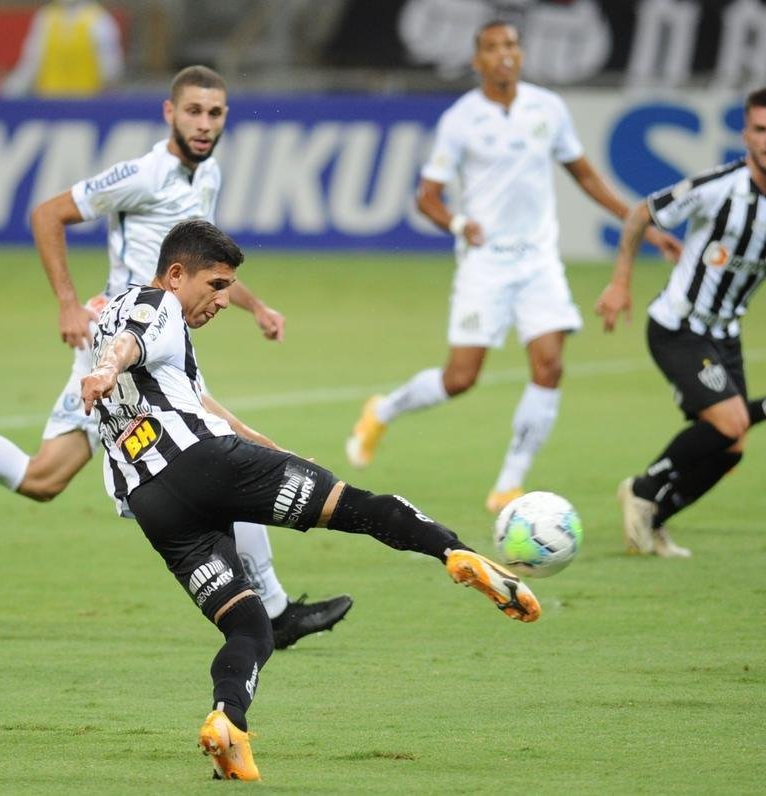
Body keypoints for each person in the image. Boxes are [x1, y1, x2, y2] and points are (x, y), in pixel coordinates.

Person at [0, 66, 352, 649]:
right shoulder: (144, 175)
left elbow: (203, 270)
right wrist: (67, 305)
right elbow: (47, 214)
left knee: (42, 478)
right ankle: (275, 613)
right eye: (194, 112)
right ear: (169, 113)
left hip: (143, 359)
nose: (205, 124)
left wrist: (252, 305)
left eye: (216, 113)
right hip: (123, 350)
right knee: (228, 463)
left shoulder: (208, 175)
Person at [81, 219, 541, 781]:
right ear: (177, 275)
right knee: (359, 508)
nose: (224, 300)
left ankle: (228, 721)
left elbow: (199, 400)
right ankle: (456, 554)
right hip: (204, 465)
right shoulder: (160, 308)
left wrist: (267, 447)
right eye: (217, 285)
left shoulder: (125, 311)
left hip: (156, 505)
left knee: (250, 628)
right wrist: (105, 371)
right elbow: (132, 343)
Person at [346, 19, 682, 513]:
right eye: (493, 47)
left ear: (521, 55)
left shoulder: (547, 108)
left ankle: (508, 482)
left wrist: (644, 226)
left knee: (549, 366)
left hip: (539, 261)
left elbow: (586, 176)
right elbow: (427, 197)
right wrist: (460, 224)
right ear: (477, 60)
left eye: (512, 45)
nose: (505, 54)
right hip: (485, 264)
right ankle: (384, 409)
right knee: (461, 378)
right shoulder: (461, 119)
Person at [596, 87, 766, 558]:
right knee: (731, 422)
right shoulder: (720, 186)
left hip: (727, 334)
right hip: (680, 326)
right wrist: (620, 283)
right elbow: (639, 214)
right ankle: (643, 487)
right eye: (760, 129)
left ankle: (654, 519)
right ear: (746, 133)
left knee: (730, 448)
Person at [0, 0, 123, 98]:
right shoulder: (46, 18)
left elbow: (110, 69)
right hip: (50, 100)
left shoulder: (100, 20)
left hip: (86, 100)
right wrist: (12, 89)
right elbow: (32, 61)